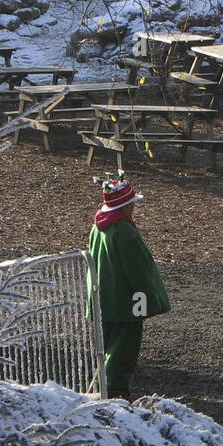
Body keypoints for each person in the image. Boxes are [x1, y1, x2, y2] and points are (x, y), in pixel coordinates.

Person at [87, 172, 170, 401]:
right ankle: (115, 392)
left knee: (106, 345)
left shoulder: (98, 227)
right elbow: (138, 269)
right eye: (132, 203)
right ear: (125, 206)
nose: (134, 207)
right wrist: (149, 300)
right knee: (125, 348)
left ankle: (103, 387)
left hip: (103, 298)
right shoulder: (124, 230)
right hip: (127, 301)